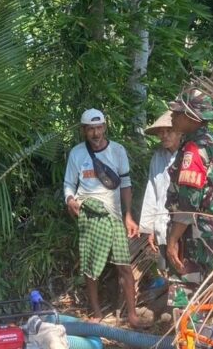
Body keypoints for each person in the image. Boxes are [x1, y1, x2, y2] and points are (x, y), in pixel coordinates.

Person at [63, 108, 148, 328]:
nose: (96, 133)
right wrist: (70, 199)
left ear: (105, 127)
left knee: (124, 265)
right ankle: (97, 312)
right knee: (91, 267)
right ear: (84, 131)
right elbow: (69, 184)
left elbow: (126, 184)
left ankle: (132, 315)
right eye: (91, 129)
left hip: (114, 215)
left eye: (99, 127)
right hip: (89, 215)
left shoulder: (118, 151)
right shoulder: (77, 153)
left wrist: (128, 216)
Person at [165, 88, 213, 293]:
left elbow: (189, 201)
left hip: (192, 233)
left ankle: (191, 325)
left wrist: (173, 239)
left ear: (191, 116)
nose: (172, 116)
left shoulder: (194, 149)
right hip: (207, 229)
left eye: (177, 113)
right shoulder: (212, 142)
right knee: (202, 291)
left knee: (186, 295)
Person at [139, 111, 183, 277]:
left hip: (183, 224)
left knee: (185, 270)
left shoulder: (187, 156)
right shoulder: (158, 157)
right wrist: (150, 226)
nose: (164, 135)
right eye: (161, 132)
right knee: (166, 271)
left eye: (168, 131)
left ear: (179, 131)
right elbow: (152, 192)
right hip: (162, 222)